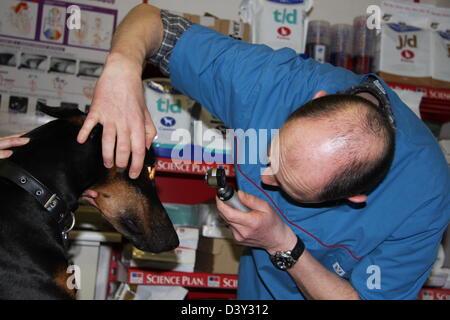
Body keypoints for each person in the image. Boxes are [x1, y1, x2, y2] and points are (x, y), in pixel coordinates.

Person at [3, 4, 449, 299]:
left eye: (290, 186)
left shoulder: (425, 196)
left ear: (356, 196)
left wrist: (283, 244)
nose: (266, 177)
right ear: (311, 104)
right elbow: (150, 20)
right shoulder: (269, 84)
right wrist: (122, 69)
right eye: (273, 154)